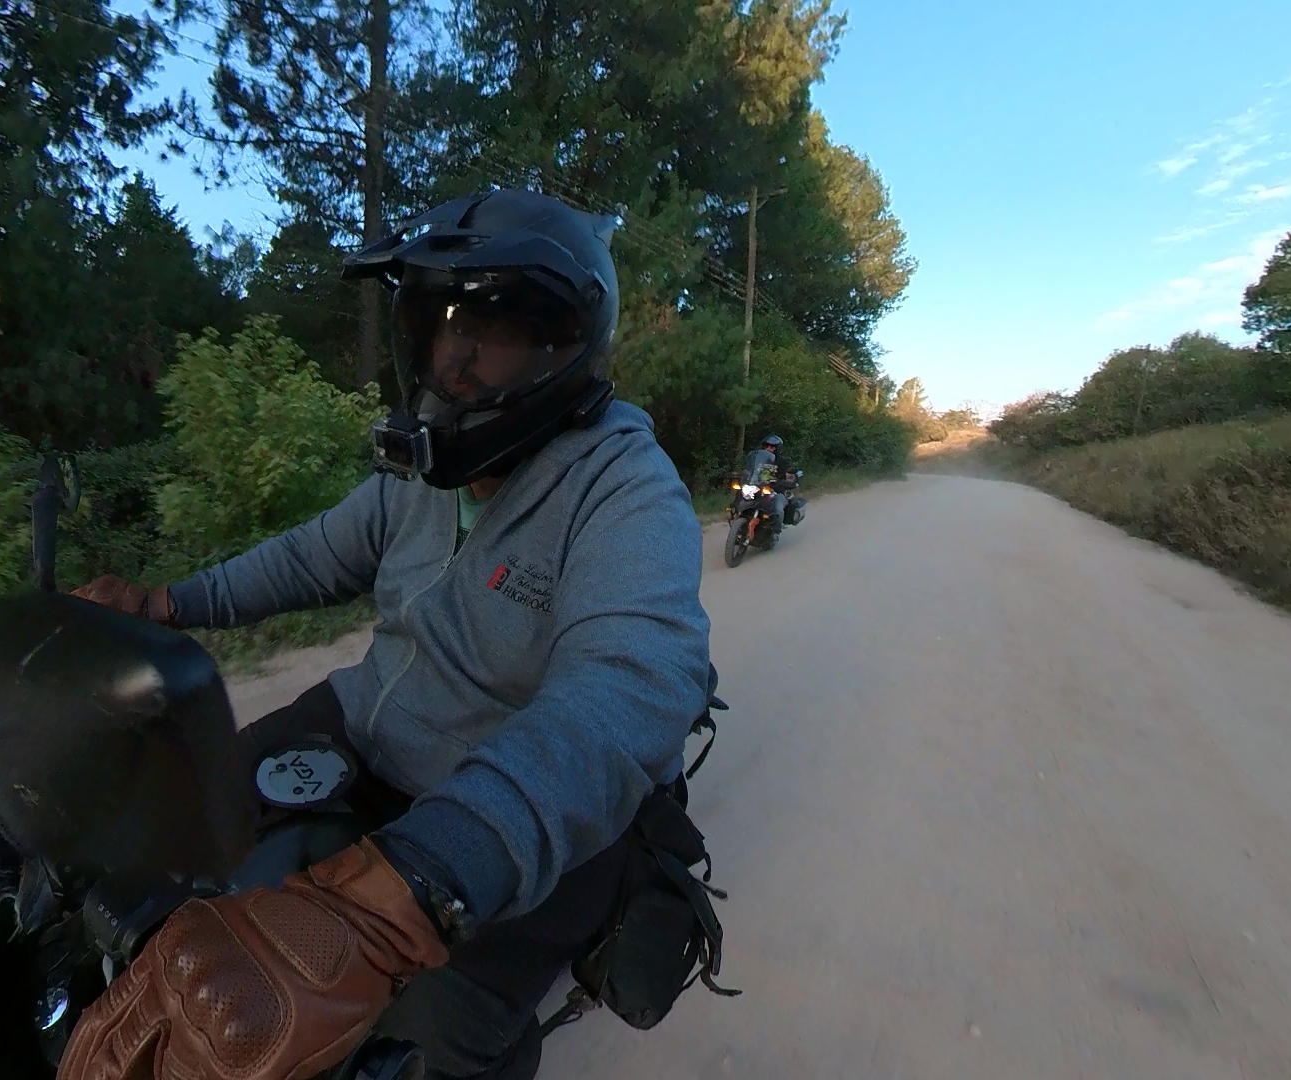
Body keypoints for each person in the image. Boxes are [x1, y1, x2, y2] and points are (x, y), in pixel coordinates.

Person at [55, 189, 716, 1080]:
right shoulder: (428, 468)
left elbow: (635, 684)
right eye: (442, 328)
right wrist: (166, 605)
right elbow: (311, 557)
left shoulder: (624, 486)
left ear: (563, 349)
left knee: (436, 1040)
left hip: (512, 807)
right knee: (165, 843)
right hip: (369, 728)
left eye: (492, 332)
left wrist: (430, 873)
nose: (455, 362)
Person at [743, 434, 795, 530]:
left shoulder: (782, 462)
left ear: (777, 449)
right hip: (758, 488)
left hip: (776, 490)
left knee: (778, 508)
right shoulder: (757, 459)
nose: (768, 448)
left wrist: (788, 481)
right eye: (766, 446)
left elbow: (790, 474)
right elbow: (750, 470)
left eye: (772, 447)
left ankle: (776, 531)